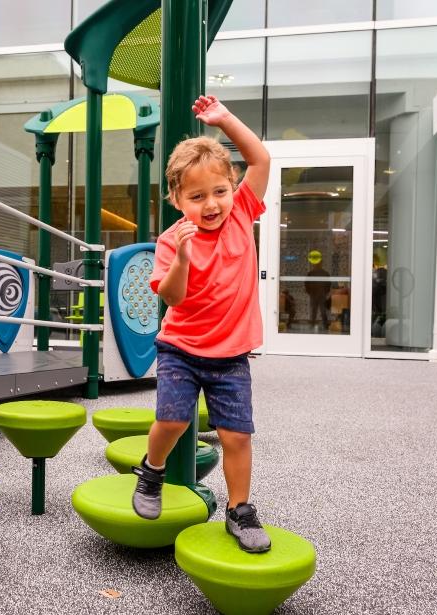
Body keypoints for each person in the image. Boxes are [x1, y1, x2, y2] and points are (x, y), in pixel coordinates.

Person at [131, 94, 271, 553]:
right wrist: (186, 253)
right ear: (176, 199)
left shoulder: (243, 212)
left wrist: (224, 119)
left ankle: (240, 510)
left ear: (233, 188)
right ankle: (151, 472)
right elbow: (172, 297)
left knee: (237, 435)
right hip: (182, 350)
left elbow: (260, 157)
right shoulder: (172, 240)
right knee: (171, 421)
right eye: (196, 197)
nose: (211, 204)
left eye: (219, 191)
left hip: (231, 356)